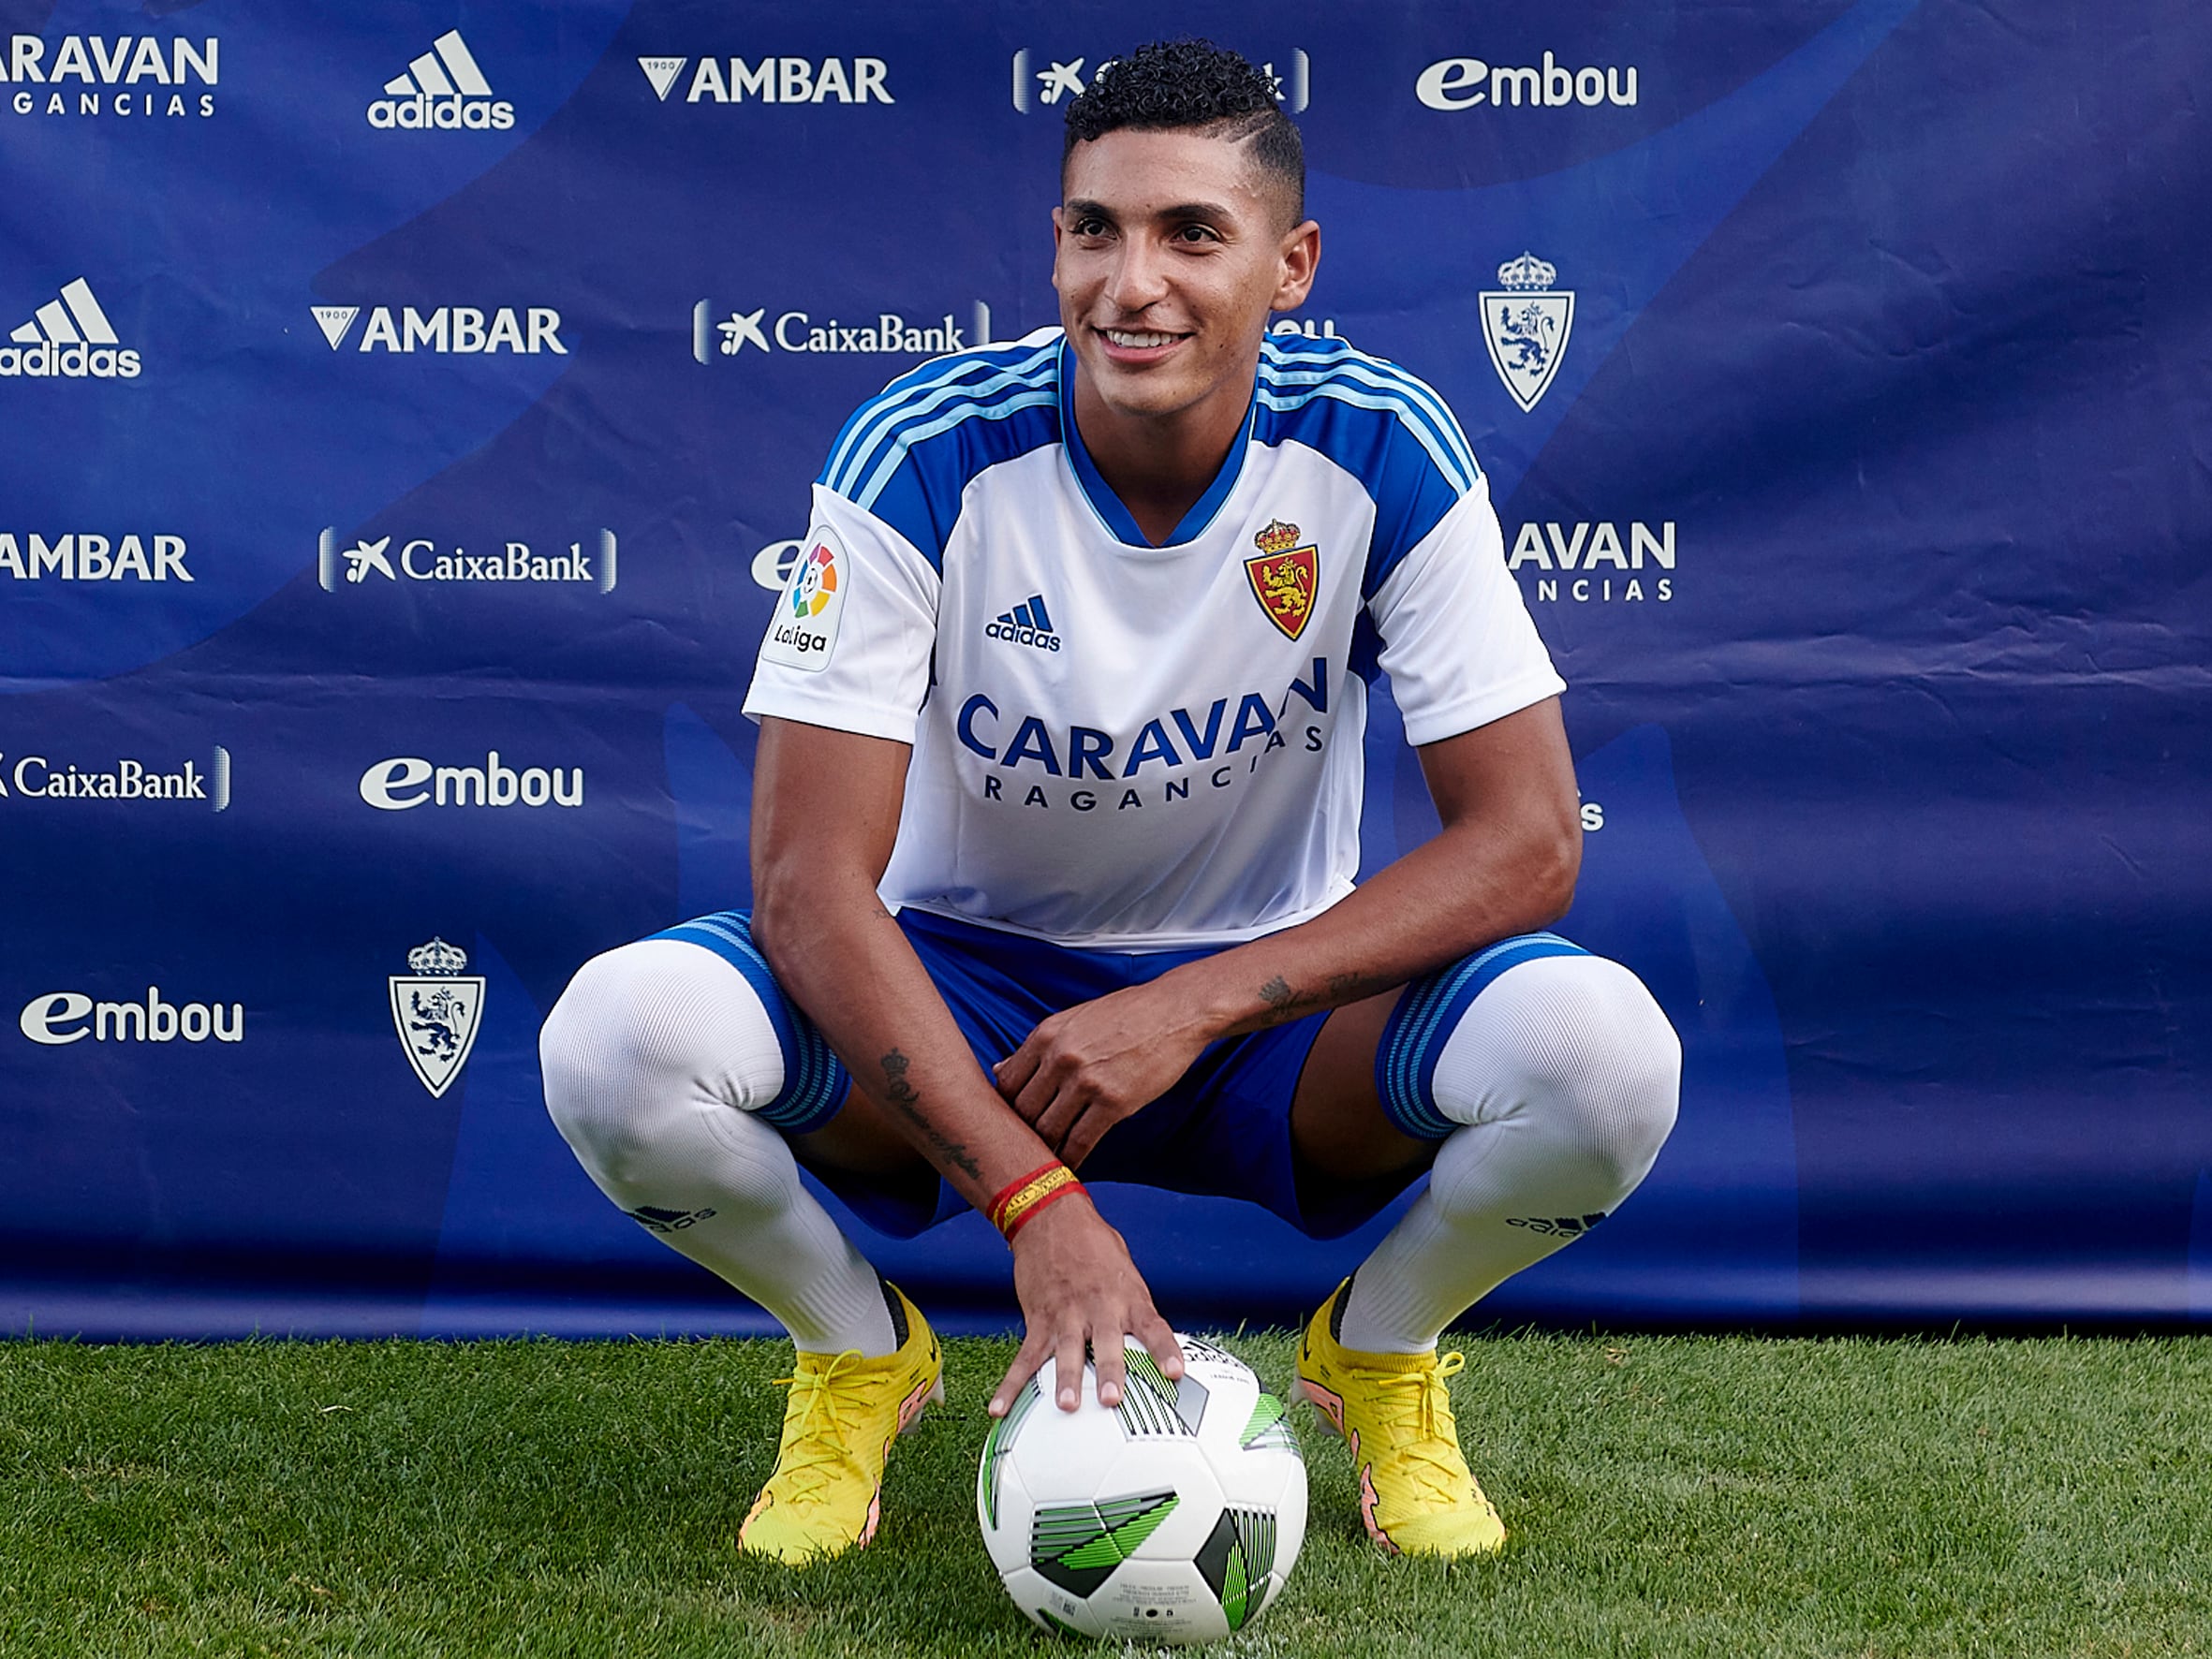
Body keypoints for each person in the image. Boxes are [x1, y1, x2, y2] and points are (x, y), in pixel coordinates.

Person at [539, 38, 1679, 1564]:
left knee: (1604, 1060)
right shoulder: (922, 454)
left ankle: (1378, 1354)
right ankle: (856, 1353)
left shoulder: (1379, 445)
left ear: (1291, 265)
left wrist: (1191, 1007)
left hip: (1266, 1019)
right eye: (1095, 229)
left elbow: (1529, 842)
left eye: (1189, 234)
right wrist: (1035, 1210)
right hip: (963, 988)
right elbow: (807, 886)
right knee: (617, 1044)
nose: (1130, 283)